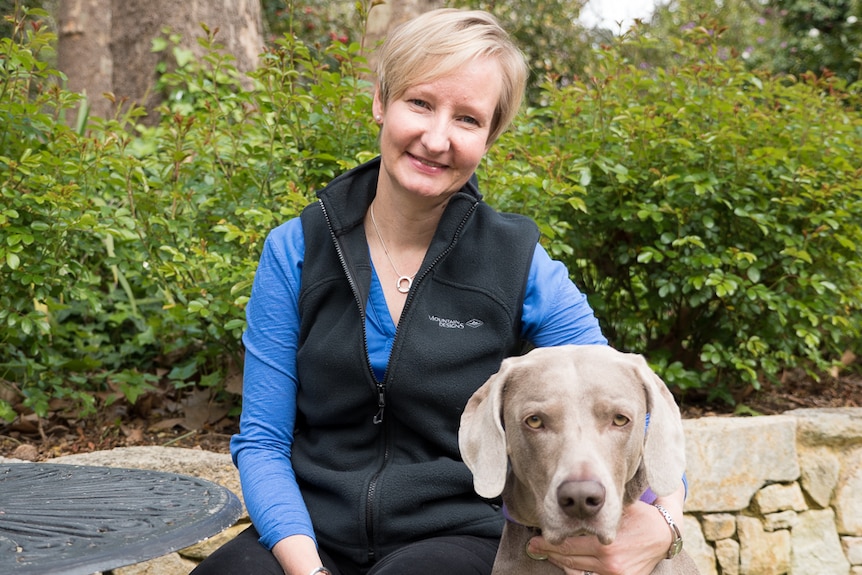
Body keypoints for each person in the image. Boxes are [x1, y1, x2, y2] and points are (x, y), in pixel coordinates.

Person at [191, 8, 686, 575]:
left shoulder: (519, 263)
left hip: (458, 537)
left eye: (468, 119)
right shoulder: (296, 250)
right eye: (420, 103)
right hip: (311, 531)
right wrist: (307, 569)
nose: (436, 138)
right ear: (381, 100)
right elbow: (261, 441)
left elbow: (622, 403)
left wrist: (665, 521)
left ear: (489, 136)